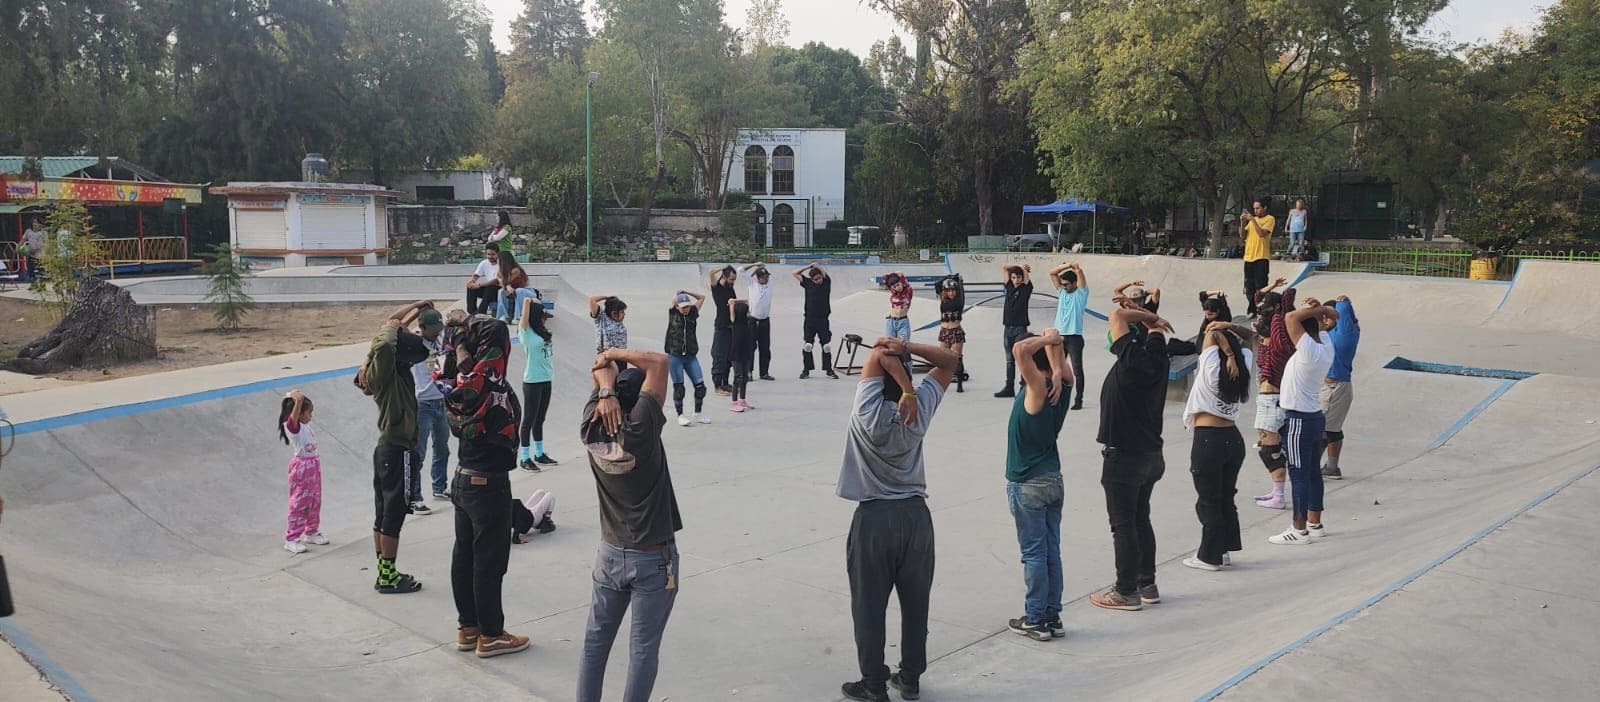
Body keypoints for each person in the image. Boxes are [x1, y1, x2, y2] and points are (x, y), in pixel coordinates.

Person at [836, 337, 958, 702]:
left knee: (869, 607)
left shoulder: (867, 411)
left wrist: (903, 385)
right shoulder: (918, 410)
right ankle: (910, 678)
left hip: (874, 518)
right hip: (916, 518)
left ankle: (874, 682)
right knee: (916, 604)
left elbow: (876, 354)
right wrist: (907, 352)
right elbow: (949, 360)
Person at [577, 348, 682, 702]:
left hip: (609, 554)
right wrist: (617, 351)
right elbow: (660, 362)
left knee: (595, 643)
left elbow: (599, 368)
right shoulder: (641, 430)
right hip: (652, 558)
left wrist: (605, 390)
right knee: (642, 650)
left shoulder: (591, 428)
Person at [445, 314, 531, 658]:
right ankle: (492, 635)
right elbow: (493, 334)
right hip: (488, 485)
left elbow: (457, 339)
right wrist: (471, 325)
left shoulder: (453, 377)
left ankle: (468, 627)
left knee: (464, 555)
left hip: (463, 478)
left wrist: (460, 338)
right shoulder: (486, 382)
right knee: (489, 563)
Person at [1089, 302, 1172, 612]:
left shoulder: (1130, 360)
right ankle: (1147, 583)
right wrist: (1153, 323)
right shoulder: (1158, 358)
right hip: (1151, 454)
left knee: (1123, 525)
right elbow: (1155, 332)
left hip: (1124, 457)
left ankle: (1126, 591)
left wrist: (1149, 316)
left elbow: (1117, 316)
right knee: (1140, 519)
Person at [355, 301, 435, 595]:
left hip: (387, 449)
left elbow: (391, 330)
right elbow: (387, 340)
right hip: (398, 449)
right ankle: (388, 577)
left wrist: (416, 308)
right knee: (394, 514)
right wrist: (389, 329)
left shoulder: (382, 369)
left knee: (383, 513)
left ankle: (384, 572)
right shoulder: (386, 369)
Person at [1003, 330, 1073, 641]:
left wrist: (1046, 340)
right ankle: (1051, 615)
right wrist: (1054, 343)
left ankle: (1035, 618)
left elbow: (1020, 350)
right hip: (1052, 479)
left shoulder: (1038, 388)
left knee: (1033, 554)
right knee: (1051, 551)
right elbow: (1058, 358)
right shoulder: (1063, 384)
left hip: (1028, 483)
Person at [1181, 322, 1254, 571]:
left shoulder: (1211, 367)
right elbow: (1250, 336)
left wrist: (1226, 348)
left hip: (1208, 439)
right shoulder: (1243, 366)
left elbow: (1211, 334)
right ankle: (1223, 550)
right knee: (1224, 497)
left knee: (1208, 500)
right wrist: (1230, 328)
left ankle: (1208, 557)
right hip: (1233, 439)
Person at [1268, 299, 1340, 546]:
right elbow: (1324, 324)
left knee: (1298, 474)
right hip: (1314, 417)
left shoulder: (1308, 348)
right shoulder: (1325, 345)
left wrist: (1321, 310)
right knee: (1312, 473)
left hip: (1298, 418)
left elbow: (1290, 318)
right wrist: (1319, 310)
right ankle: (1314, 523)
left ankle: (1298, 530)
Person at [1251, 280, 1295, 510]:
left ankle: (1279, 496)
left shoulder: (1280, 335)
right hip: (1270, 398)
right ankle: (1277, 491)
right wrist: (1272, 287)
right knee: (1271, 448)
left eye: (1266, 311)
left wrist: (1283, 308)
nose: (1261, 316)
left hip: (1272, 398)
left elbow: (1286, 304)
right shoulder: (1269, 331)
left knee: (1270, 450)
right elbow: (1257, 296)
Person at [278, 390, 328, 554]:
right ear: (299, 414)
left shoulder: (305, 427)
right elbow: (293, 420)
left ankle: (311, 531)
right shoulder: (293, 428)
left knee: (314, 501)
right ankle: (291, 539)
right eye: (308, 412)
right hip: (302, 468)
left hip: (313, 466)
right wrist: (298, 402)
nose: (311, 416)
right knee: (300, 503)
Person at [409, 307, 449, 508]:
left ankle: (439, 487)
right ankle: (414, 496)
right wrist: (417, 307)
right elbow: (395, 327)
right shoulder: (414, 342)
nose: (435, 333)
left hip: (442, 400)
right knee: (419, 452)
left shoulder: (441, 339)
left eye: (437, 329)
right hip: (423, 403)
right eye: (431, 330)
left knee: (442, 448)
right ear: (422, 327)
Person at [1321, 296, 1360, 480]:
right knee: (1332, 429)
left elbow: (1344, 312)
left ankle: (1309, 468)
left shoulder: (1344, 336)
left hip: (1334, 387)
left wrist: (1344, 303)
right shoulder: (1327, 332)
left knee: (1321, 429)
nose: (1323, 319)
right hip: (1331, 388)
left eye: (1327, 315)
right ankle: (1332, 467)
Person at [518, 296, 559, 471]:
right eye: (542, 317)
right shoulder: (526, 334)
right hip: (532, 381)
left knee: (540, 419)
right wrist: (528, 301)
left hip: (546, 379)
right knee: (529, 419)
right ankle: (525, 457)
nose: (545, 320)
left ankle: (540, 453)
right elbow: (523, 319)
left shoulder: (543, 333)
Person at [665, 291, 712, 426]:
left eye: (687, 306)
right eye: (683, 307)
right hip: (675, 357)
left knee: (700, 387)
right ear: (677, 307)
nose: (686, 309)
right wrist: (677, 295)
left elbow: (702, 297)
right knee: (679, 388)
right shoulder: (673, 313)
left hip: (691, 356)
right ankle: (680, 415)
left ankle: (698, 413)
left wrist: (686, 292)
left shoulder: (693, 313)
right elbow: (674, 302)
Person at [1048, 261, 1090, 409]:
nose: (1064, 286)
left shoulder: (1080, 294)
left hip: (1074, 337)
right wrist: (1066, 265)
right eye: (1062, 284)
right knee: (1057, 368)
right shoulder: (1061, 292)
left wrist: (1077, 269)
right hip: (1059, 336)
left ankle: (1079, 399)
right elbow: (1052, 273)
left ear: (1074, 283)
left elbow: (1081, 279)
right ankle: (1057, 396)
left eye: (1066, 284)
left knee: (1077, 370)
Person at [996, 264, 1034, 398]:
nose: (1016, 280)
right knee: (1009, 360)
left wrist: (1024, 270)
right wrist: (1018, 266)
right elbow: (1004, 268)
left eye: (1018, 277)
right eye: (1013, 277)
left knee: (1022, 358)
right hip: (1008, 328)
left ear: (1022, 278)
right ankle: (1009, 387)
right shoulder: (1009, 287)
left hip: (1020, 328)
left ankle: (1023, 387)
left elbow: (1027, 280)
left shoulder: (1026, 289)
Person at [796, 264, 837, 379]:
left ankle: (828, 370)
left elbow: (824, 274)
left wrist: (818, 266)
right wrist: (807, 267)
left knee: (826, 346)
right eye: (815, 279)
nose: (818, 280)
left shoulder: (826, 283)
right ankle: (806, 370)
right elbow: (795, 273)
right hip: (810, 319)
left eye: (819, 278)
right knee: (808, 345)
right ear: (811, 279)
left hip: (823, 319)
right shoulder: (807, 283)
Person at [1240, 198, 1276, 315]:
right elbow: (1242, 237)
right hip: (1249, 257)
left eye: (1258, 208)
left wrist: (1253, 220)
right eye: (1254, 208)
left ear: (1265, 207)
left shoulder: (1269, 219)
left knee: (1260, 286)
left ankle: (1262, 309)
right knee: (1249, 286)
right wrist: (1243, 222)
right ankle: (1252, 309)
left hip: (1261, 257)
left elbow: (1261, 234)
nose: (1255, 211)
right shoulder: (1252, 220)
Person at [741, 263, 776, 380]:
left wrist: (760, 269)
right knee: (750, 347)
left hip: (765, 320)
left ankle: (764, 372)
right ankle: (748, 371)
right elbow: (740, 270)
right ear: (758, 278)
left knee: (765, 347)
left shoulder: (769, 286)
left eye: (767, 277)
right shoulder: (752, 284)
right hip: (753, 320)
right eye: (764, 277)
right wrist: (754, 265)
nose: (766, 279)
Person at [936, 275, 969, 393]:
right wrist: (948, 277)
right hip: (944, 331)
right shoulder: (942, 299)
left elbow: (961, 291)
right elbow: (937, 285)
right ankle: (941, 381)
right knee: (942, 356)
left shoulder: (959, 301)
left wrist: (958, 280)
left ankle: (959, 384)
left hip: (956, 331)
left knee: (957, 358)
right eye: (948, 291)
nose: (951, 293)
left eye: (953, 290)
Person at [710, 265, 739, 393]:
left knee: (728, 357)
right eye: (731, 279)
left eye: (734, 279)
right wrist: (724, 267)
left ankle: (725, 383)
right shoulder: (717, 288)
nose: (733, 282)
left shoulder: (730, 288)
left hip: (731, 327)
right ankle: (717, 385)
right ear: (725, 277)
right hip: (721, 327)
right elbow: (711, 273)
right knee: (719, 356)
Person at [496, 251, 539, 324]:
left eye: (498, 259)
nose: (497, 261)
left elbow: (505, 282)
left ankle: (519, 317)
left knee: (519, 290)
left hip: (527, 292)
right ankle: (504, 316)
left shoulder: (515, 270)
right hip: (515, 293)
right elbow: (503, 283)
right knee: (501, 291)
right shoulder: (501, 271)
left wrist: (505, 283)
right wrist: (505, 284)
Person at [729, 300, 755, 412]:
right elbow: (731, 304)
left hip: (746, 352)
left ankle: (742, 400)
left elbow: (748, 301)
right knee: (738, 377)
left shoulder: (748, 323)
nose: (748, 313)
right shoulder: (735, 323)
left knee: (745, 377)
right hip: (736, 354)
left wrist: (738, 301)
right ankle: (734, 402)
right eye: (746, 312)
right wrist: (732, 304)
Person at [588, 294, 629, 363]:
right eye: (622, 312)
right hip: (607, 358)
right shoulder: (601, 319)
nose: (624, 314)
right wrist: (606, 297)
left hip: (621, 358)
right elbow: (592, 300)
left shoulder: (619, 322)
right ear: (614, 313)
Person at [465, 245, 502, 315]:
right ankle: (472, 312)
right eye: (488, 254)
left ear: (498, 254)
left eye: (493, 254)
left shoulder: (501, 264)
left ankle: (481, 312)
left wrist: (479, 285)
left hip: (499, 289)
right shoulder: (484, 263)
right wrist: (472, 282)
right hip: (488, 288)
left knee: (490, 288)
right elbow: (476, 275)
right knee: (471, 288)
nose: (490, 256)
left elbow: (496, 281)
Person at [883, 271, 913, 343]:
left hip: (902, 322)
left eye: (898, 285)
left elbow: (900, 273)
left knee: (902, 344)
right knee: (889, 343)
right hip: (891, 321)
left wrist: (894, 275)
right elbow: (885, 278)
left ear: (901, 282)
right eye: (895, 287)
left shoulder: (908, 292)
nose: (897, 288)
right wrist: (890, 277)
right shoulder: (894, 293)